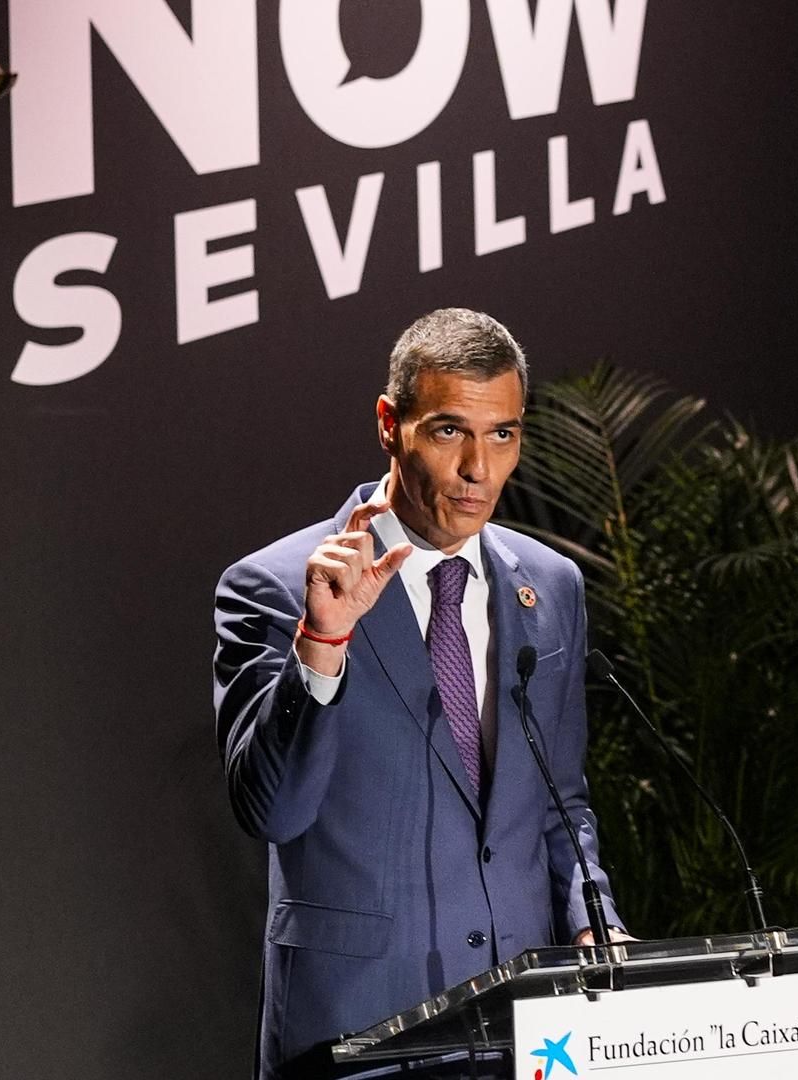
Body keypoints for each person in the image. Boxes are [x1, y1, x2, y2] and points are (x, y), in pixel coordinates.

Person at [212, 309, 621, 1079]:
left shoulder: (551, 586)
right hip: (358, 1032)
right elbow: (270, 811)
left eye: (502, 434)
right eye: (448, 431)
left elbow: (562, 803)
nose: (479, 468)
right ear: (389, 425)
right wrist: (323, 643)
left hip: (525, 1033)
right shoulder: (274, 586)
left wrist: (592, 919)